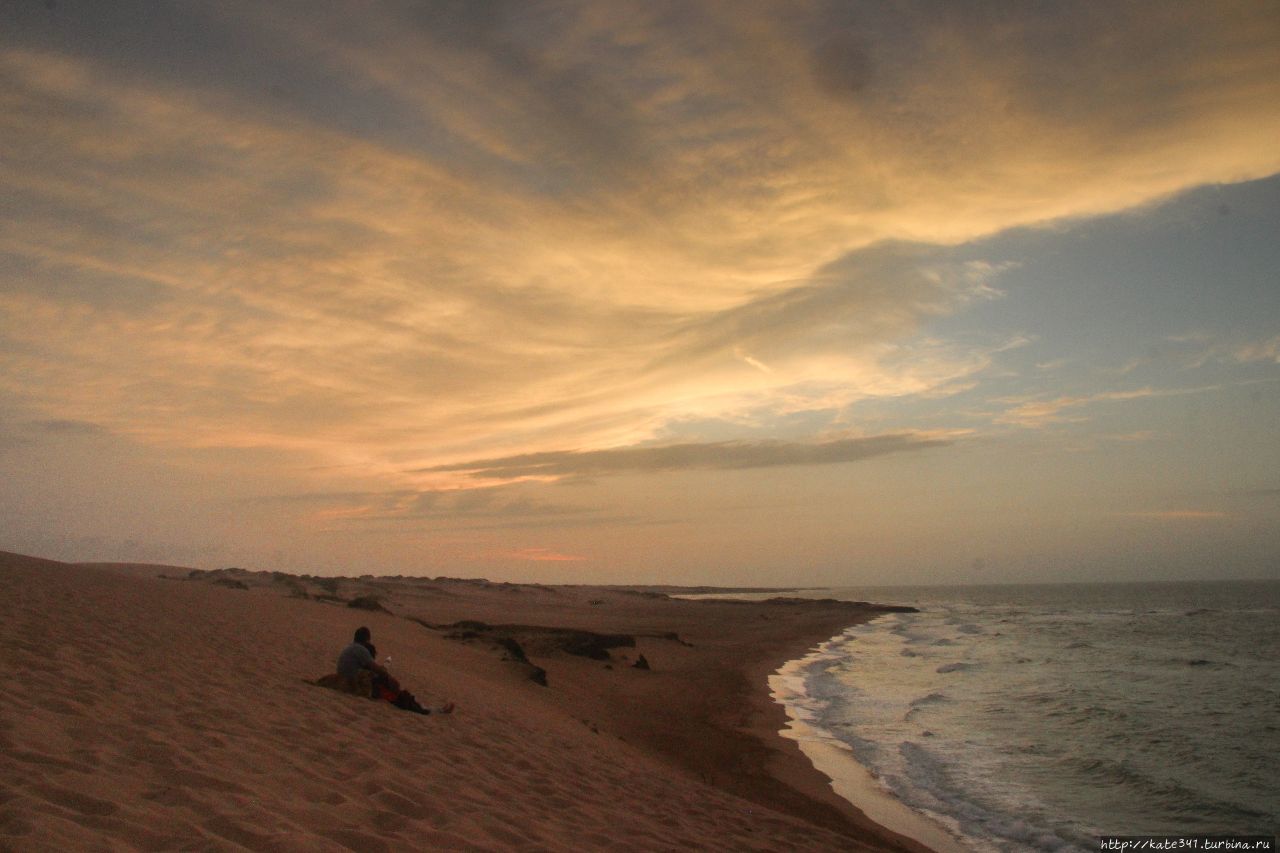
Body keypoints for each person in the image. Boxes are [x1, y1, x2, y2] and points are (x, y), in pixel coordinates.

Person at [336, 627, 453, 715]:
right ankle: (431, 710)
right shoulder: (360, 649)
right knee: (399, 695)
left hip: (347, 678)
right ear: (366, 639)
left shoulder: (349, 647)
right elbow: (375, 669)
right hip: (356, 681)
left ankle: (425, 707)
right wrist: (389, 677)